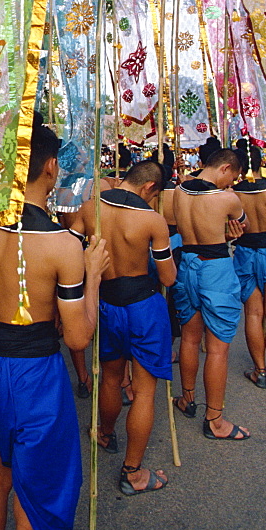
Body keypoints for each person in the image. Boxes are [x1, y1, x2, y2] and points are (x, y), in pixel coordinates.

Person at [0, 114, 107, 530]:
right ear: (50, 167)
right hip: (37, 375)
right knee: (33, 504)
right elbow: (79, 338)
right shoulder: (64, 246)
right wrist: (92, 277)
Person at [72, 159, 176, 494]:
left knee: (112, 378)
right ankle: (132, 472)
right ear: (149, 188)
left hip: (106, 304)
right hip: (143, 307)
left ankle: (105, 433)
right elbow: (168, 277)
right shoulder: (152, 221)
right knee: (144, 391)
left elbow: (73, 253)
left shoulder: (90, 209)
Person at [172, 148, 250, 440]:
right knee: (217, 348)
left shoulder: (179, 190)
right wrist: (231, 232)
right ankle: (215, 420)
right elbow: (243, 225)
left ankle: (187, 398)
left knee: (190, 338)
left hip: (186, 266)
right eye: (232, 177)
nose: (231, 184)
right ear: (225, 168)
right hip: (215, 268)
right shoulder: (227, 198)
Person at [233, 146, 266, 391]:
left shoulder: (231, 195)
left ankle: (259, 370)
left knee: (253, 314)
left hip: (245, 253)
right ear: (261, 161)